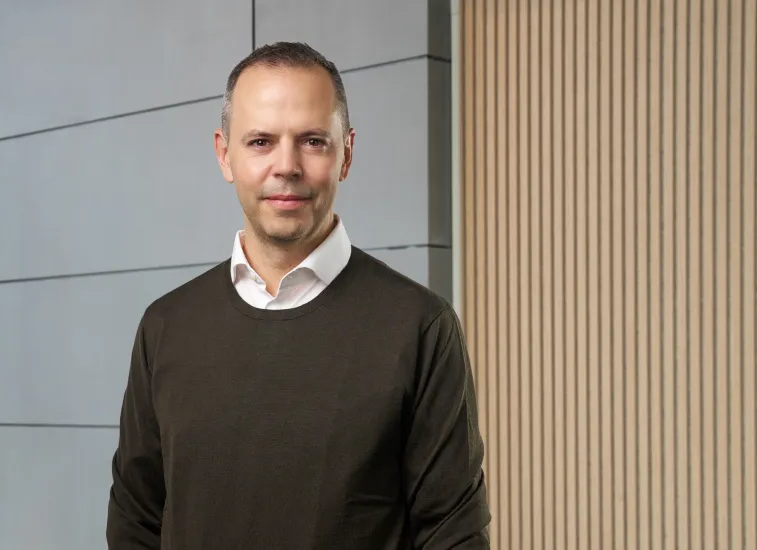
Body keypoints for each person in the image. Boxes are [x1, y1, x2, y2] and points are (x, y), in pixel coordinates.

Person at [106, 41, 490, 549]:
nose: (286, 165)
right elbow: (134, 522)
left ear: (346, 153)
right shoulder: (166, 326)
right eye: (260, 141)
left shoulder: (420, 327)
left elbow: (453, 536)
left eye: (312, 141)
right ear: (224, 154)